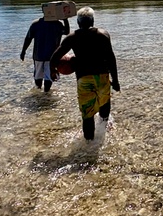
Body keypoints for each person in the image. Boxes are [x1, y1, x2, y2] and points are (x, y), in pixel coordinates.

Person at [50, 7, 120, 140]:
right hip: (102, 77)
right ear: (92, 21)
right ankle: (104, 135)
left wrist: (53, 71)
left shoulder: (72, 38)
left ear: (78, 22)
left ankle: (88, 146)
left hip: (84, 79)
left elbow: (54, 58)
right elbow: (111, 59)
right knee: (105, 107)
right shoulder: (103, 35)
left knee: (87, 115)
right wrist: (115, 80)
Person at [20, 12, 69, 92]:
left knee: (38, 75)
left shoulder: (36, 24)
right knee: (49, 76)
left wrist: (23, 51)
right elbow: (66, 31)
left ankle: (38, 91)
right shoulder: (58, 24)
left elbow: (28, 38)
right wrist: (65, 20)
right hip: (52, 56)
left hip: (38, 55)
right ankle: (46, 92)